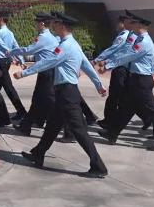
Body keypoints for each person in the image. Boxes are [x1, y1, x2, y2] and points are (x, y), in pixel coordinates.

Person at [14, 12, 109, 178]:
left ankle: (98, 166)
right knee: (52, 126)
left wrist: (24, 73)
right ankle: (38, 154)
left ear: (63, 26)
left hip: (67, 93)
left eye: (56, 23)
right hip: (65, 92)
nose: (53, 25)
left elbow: (48, 62)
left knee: (79, 131)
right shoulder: (73, 44)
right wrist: (98, 84)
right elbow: (86, 65)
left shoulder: (65, 46)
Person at [95, 12, 154, 151]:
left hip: (142, 81)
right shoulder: (140, 40)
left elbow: (128, 56)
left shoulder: (144, 42)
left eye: (134, 23)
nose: (131, 25)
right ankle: (112, 133)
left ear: (140, 25)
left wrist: (108, 65)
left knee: (153, 111)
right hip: (136, 79)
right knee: (126, 108)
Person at [93, 13, 148, 132]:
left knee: (117, 96)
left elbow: (120, 53)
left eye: (129, 21)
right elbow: (121, 53)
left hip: (122, 69)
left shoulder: (128, 36)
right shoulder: (130, 36)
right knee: (123, 98)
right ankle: (112, 123)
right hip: (121, 68)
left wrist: (105, 62)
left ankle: (110, 122)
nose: (118, 25)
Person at [8, 12, 60, 136]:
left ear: (42, 23)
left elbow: (29, 50)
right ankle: (27, 125)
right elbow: (37, 53)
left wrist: (11, 52)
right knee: (38, 99)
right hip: (45, 71)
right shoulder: (48, 37)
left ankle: (68, 128)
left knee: (51, 101)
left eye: (36, 22)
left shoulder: (44, 38)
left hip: (47, 72)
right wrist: (22, 60)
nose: (35, 24)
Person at [0, 10, 29, 121]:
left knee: (5, 88)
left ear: (1, 19)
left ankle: (21, 112)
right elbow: (15, 47)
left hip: (0, 62)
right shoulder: (9, 33)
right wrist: (21, 60)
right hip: (5, 62)